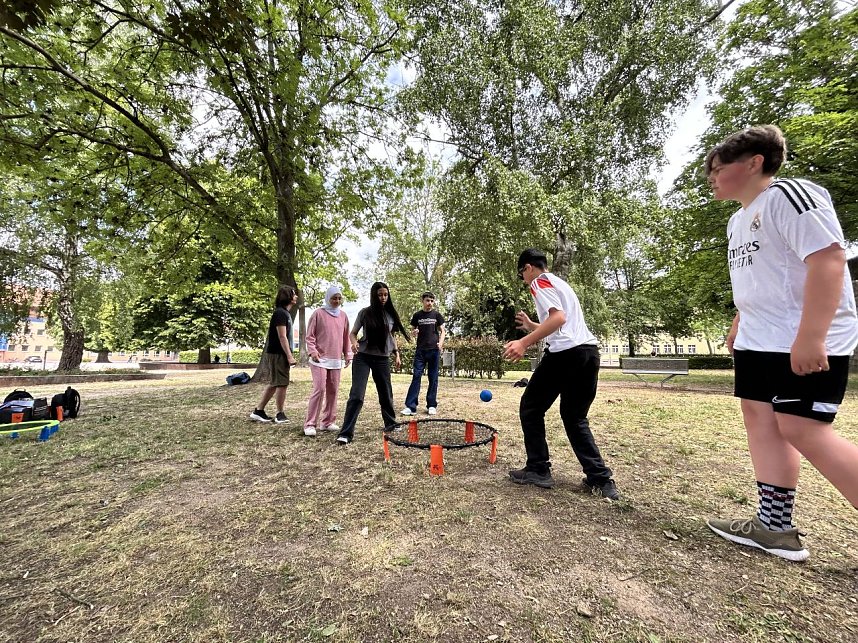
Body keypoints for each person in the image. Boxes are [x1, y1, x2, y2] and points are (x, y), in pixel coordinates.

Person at [703, 125, 858, 561]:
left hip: (801, 337)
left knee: (803, 428)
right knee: (762, 420)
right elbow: (762, 278)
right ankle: (774, 527)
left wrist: (812, 335)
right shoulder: (737, 220)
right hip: (759, 338)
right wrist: (740, 321)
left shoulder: (790, 196)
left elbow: (828, 258)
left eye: (718, 168)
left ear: (754, 162)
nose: (711, 177)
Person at [502, 248, 620, 500]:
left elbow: (558, 318)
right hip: (588, 353)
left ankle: (538, 468)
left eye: (521, 274)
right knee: (575, 417)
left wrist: (523, 341)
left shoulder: (539, 282)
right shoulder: (560, 283)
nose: (523, 280)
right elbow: (562, 325)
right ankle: (601, 479)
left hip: (566, 355)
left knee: (531, 407)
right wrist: (533, 326)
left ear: (529, 268)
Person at [337, 281, 410, 445]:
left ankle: (390, 423)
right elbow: (353, 333)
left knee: (385, 393)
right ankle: (346, 432)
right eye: (380, 295)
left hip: (382, 359)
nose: (383, 298)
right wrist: (354, 343)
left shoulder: (391, 315)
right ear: (374, 295)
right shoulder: (365, 313)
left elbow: (391, 337)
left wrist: (396, 354)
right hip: (363, 357)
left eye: (385, 294)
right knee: (357, 395)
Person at [303, 285, 352, 437]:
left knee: (333, 390)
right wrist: (313, 351)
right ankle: (310, 424)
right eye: (334, 298)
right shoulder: (318, 313)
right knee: (320, 389)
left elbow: (346, 337)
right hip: (319, 359)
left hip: (335, 360)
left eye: (339, 298)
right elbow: (310, 336)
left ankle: (327, 422)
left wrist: (348, 354)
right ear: (328, 298)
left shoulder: (343, 316)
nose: (337, 301)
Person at [249, 285, 298, 424]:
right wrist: (289, 356)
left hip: (278, 354)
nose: (296, 297)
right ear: (288, 296)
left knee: (275, 383)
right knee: (282, 384)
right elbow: (282, 337)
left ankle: (259, 411)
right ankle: (279, 414)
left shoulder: (284, 313)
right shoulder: (280, 314)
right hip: (278, 354)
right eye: (293, 294)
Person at [402, 291, 446, 416]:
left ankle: (431, 405)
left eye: (432, 301)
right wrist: (414, 332)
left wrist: (440, 343)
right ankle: (411, 407)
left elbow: (443, 331)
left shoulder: (437, 315)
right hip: (420, 351)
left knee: (433, 378)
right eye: (427, 300)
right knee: (416, 376)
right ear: (423, 301)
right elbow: (412, 331)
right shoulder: (417, 315)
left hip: (434, 351)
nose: (430, 303)